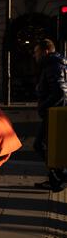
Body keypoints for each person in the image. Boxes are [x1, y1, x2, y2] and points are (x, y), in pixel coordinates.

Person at [33, 39, 67, 192]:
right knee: (51, 146)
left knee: (40, 145)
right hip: (55, 113)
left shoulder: (52, 65)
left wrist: (43, 106)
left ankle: (59, 176)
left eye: (36, 52)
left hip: (53, 114)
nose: (35, 55)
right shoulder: (57, 63)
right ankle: (56, 177)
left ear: (45, 51)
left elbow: (60, 91)